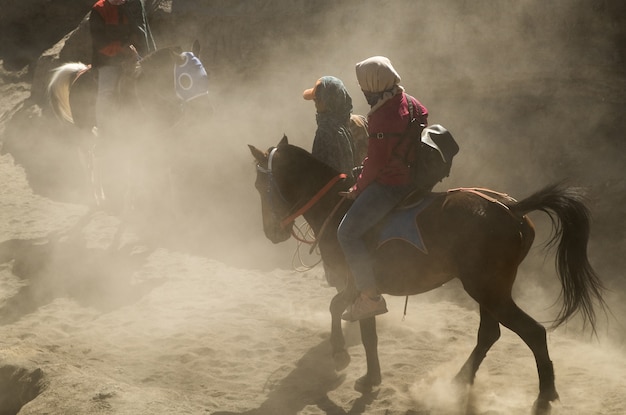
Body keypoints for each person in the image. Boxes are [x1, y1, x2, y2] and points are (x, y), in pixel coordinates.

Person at [338, 56, 429, 321]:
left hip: (391, 185)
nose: (364, 91)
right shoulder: (411, 103)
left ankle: (370, 296)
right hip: (414, 179)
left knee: (347, 233)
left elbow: (376, 164)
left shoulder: (382, 116)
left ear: (375, 84)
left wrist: (356, 188)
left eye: (365, 86)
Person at [90, 0, 156, 136]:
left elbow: (142, 32)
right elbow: (100, 43)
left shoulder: (135, 4)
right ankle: (103, 133)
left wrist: (137, 49)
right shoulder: (99, 9)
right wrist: (122, 49)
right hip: (108, 61)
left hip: (134, 57)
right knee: (106, 93)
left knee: (154, 84)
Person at [303, 76, 357, 178]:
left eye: (316, 100)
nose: (315, 106)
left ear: (324, 102)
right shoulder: (348, 124)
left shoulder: (325, 130)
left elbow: (319, 172)